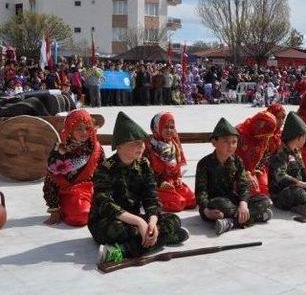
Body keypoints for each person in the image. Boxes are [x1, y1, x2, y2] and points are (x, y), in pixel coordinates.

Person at [90, 112, 188, 264]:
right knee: (119, 230)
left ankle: (124, 250)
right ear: (120, 145)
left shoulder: (144, 164)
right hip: (109, 220)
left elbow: (151, 197)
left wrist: (152, 222)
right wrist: (140, 223)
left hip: (134, 218)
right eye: (135, 143)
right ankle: (167, 237)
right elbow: (105, 204)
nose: (141, 147)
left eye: (142, 142)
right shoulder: (105, 169)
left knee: (173, 219)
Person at [195, 118, 273, 235]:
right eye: (225, 141)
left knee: (265, 200)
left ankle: (231, 222)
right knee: (220, 203)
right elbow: (201, 191)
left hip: (232, 200)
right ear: (214, 142)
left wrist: (243, 203)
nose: (231, 146)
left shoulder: (237, 161)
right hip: (213, 205)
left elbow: (243, 185)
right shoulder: (204, 164)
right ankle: (256, 216)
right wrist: (206, 210)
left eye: (234, 142)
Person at [43, 109, 105, 226]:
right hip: (70, 193)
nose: (84, 132)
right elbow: (51, 180)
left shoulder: (96, 148)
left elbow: (104, 173)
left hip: (93, 191)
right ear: (70, 129)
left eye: (87, 128)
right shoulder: (59, 150)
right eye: (79, 128)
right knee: (80, 215)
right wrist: (54, 208)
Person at [144, 112, 196, 212]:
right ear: (157, 128)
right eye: (165, 127)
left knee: (191, 201)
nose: (169, 131)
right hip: (156, 185)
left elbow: (177, 168)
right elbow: (145, 172)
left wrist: (178, 178)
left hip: (172, 183)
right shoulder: (150, 147)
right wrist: (160, 182)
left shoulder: (175, 144)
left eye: (172, 127)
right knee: (177, 204)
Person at [235, 111, 277, 196]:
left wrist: (255, 169)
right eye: (263, 136)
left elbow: (264, 157)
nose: (264, 139)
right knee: (251, 191)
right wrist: (247, 173)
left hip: (252, 170)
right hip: (235, 172)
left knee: (262, 191)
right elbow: (230, 160)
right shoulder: (239, 134)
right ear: (257, 126)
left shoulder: (264, 136)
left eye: (266, 136)